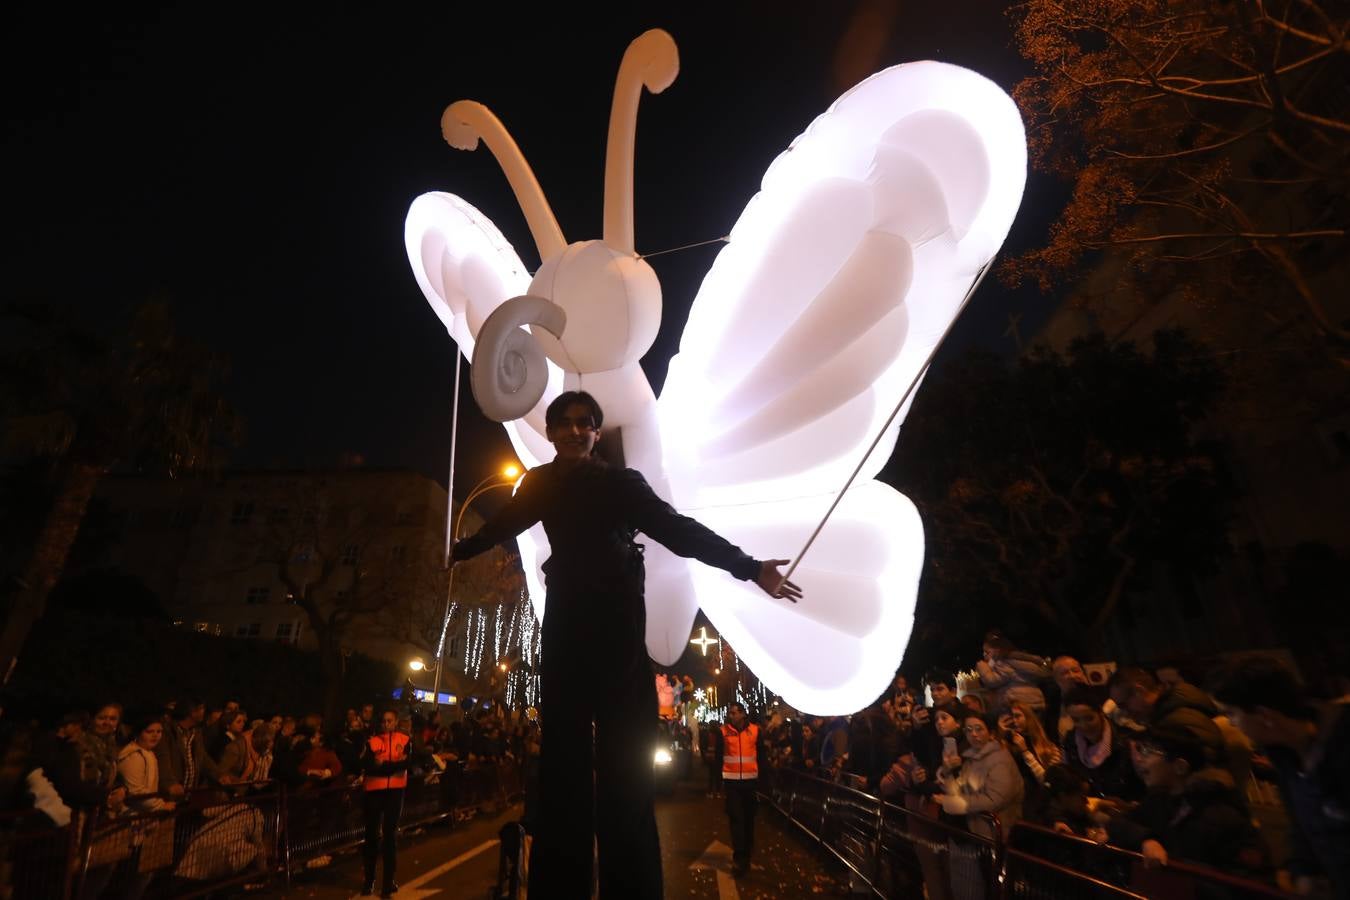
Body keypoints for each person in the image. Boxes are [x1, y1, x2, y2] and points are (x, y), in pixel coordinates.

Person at [450, 390, 801, 900]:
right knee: (562, 768)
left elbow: (677, 531)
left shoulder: (619, 483)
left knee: (626, 771)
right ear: (549, 433)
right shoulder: (540, 483)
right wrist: (459, 549)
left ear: (595, 432)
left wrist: (748, 568)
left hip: (616, 632)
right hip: (567, 626)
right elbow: (502, 525)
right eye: (564, 423)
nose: (574, 430)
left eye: (584, 423)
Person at [1208, 654, 1349, 897]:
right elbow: (1301, 822)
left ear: (1265, 715)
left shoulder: (1343, 740)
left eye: (1231, 713)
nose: (1230, 723)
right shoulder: (1284, 755)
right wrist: (1302, 870)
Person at [1105, 721, 1268, 878]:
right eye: (1141, 750)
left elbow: (1246, 878)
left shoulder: (1218, 812)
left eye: (1149, 752)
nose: (1140, 760)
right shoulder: (1160, 799)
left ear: (1180, 767)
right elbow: (1119, 823)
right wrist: (1146, 840)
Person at [359, 709, 410, 898]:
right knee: (371, 837)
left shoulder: (404, 740)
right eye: (383, 721)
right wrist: (392, 766)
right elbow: (367, 765)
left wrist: (384, 766)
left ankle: (388, 883)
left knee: (390, 837)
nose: (386, 724)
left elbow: (406, 764)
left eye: (389, 721)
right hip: (374, 792)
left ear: (395, 722)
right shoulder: (372, 742)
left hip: (395, 792)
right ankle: (369, 881)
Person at [721, 702, 761, 877]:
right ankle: (740, 858)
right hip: (732, 785)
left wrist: (765, 785)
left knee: (749, 820)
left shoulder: (755, 731)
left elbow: (762, 758)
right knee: (737, 820)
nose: (731, 716)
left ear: (743, 714)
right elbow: (718, 759)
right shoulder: (724, 732)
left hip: (750, 784)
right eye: (730, 713)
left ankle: (747, 853)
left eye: (734, 713)